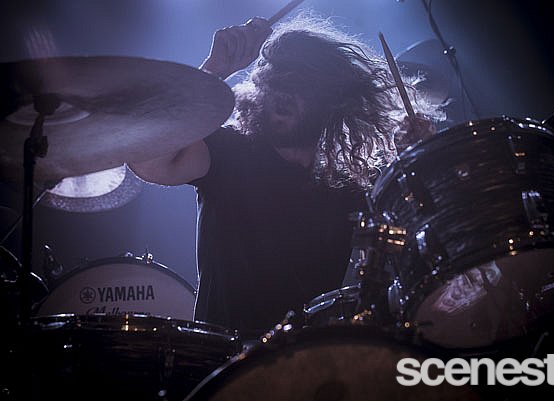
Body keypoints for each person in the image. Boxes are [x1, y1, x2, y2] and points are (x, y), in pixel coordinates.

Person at [130, 13, 443, 338]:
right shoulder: (228, 151)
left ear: (332, 100)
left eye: (299, 84)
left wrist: (419, 160)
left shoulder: (348, 184)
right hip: (227, 358)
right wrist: (213, 71)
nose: (282, 93)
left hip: (312, 360)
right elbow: (149, 160)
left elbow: (421, 242)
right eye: (275, 79)